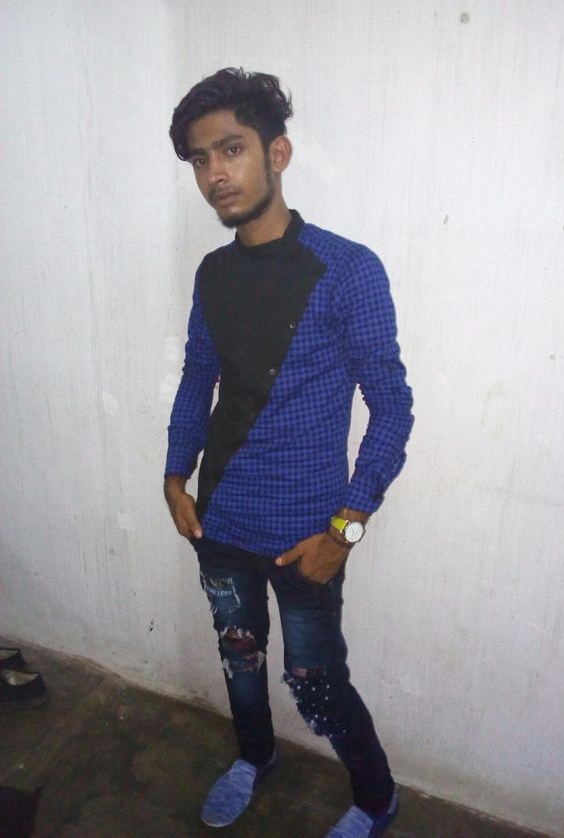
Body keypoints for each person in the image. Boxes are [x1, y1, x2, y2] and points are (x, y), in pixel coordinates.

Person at [164, 68, 413, 837]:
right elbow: (197, 379)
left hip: (310, 535)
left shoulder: (347, 269)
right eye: (201, 159)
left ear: (278, 153)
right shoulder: (213, 273)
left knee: (316, 680)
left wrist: (347, 527)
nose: (215, 174)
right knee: (239, 658)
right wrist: (174, 474)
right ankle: (255, 755)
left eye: (231, 149)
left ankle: (376, 797)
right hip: (220, 521)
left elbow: (392, 407)